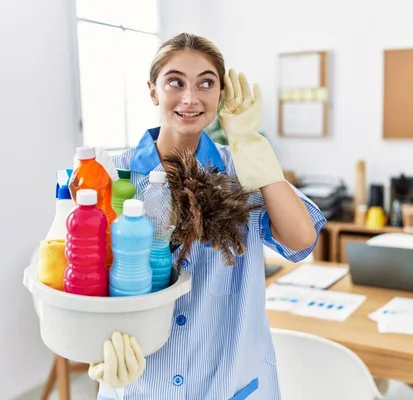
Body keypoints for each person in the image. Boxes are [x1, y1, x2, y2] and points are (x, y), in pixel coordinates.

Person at [89, 32, 327, 400]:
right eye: (174, 82)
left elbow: (301, 239)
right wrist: (92, 348)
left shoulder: (243, 170)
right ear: (153, 91)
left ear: (221, 95)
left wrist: (250, 145)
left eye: (206, 83)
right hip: (141, 386)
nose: (190, 97)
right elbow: (79, 275)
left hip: (231, 384)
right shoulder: (110, 176)